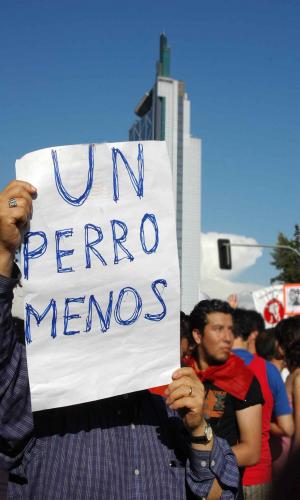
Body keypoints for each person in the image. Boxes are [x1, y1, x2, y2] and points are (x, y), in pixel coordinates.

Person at [0, 180, 239, 499]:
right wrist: (3, 254)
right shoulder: (46, 402)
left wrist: (199, 430)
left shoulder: (172, 416)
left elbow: (219, 492)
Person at [186, 300, 263, 500]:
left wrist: (199, 462)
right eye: (218, 329)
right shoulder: (180, 375)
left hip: (221, 492)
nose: (228, 337)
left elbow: (252, 451)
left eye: (230, 329)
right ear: (197, 335)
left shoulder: (243, 379)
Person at [232, 308, 293, 500]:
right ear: (254, 335)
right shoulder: (268, 370)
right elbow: (287, 427)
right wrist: (264, 426)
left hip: (219, 472)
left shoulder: (210, 367)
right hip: (258, 474)